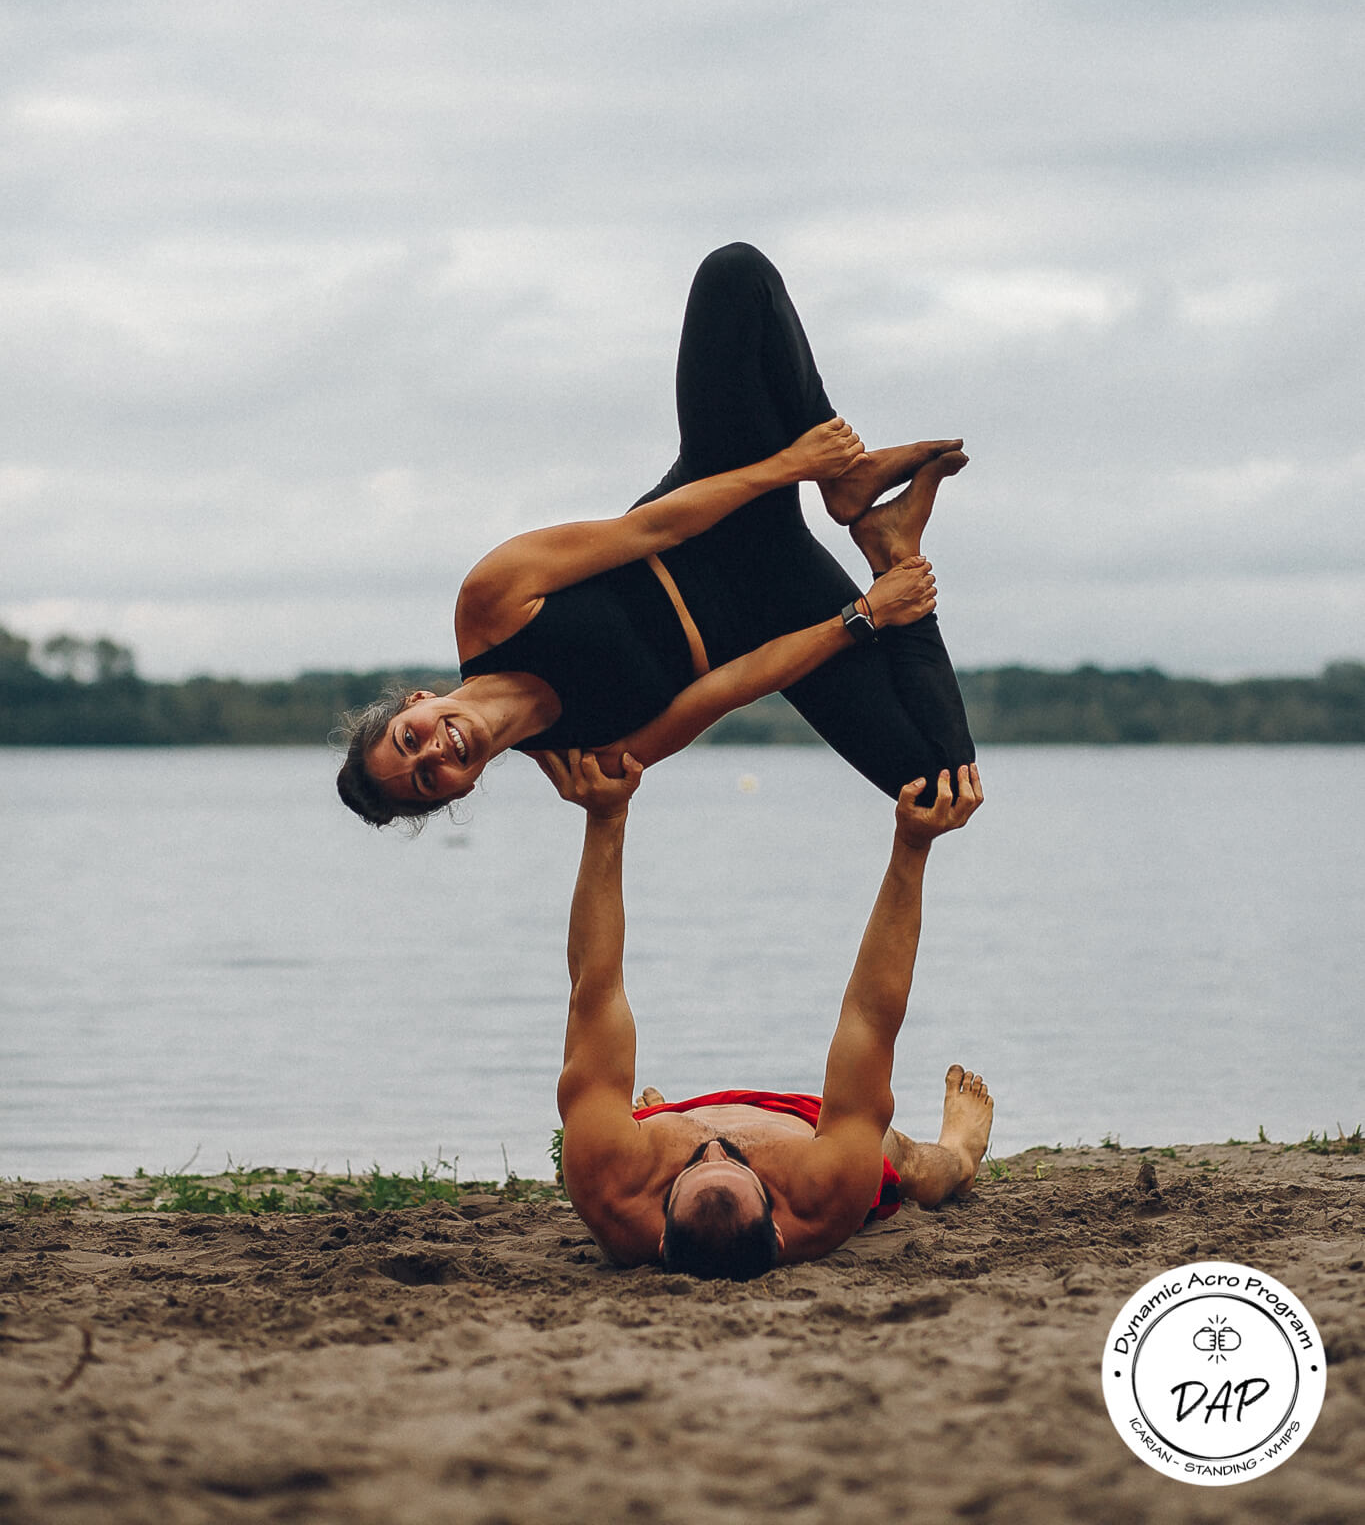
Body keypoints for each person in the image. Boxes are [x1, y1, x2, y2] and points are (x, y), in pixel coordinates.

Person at [336, 243, 975, 826]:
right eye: (427, 780)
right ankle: (893, 544)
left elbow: (650, 527)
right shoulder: (588, 762)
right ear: (458, 792)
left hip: (713, 509)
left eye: (409, 739)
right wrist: (868, 613)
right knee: (935, 790)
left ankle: (849, 480)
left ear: (415, 702)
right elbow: (731, 687)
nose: (433, 751)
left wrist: (794, 465)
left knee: (734, 275)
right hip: (778, 613)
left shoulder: (489, 603)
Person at [546, 747, 990, 1277]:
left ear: (661, 1234)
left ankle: (658, 1119)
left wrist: (605, 818)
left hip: (653, 1139)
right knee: (907, 1161)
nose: (714, 1148)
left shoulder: (611, 1181)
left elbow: (595, 991)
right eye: (735, 1163)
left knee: (593, 1127)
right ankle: (961, 1154)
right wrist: (912, 847)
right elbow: (869, 1021)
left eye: (695, 1166)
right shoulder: (824, 1192)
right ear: (779, 1230)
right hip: (802, 1127)